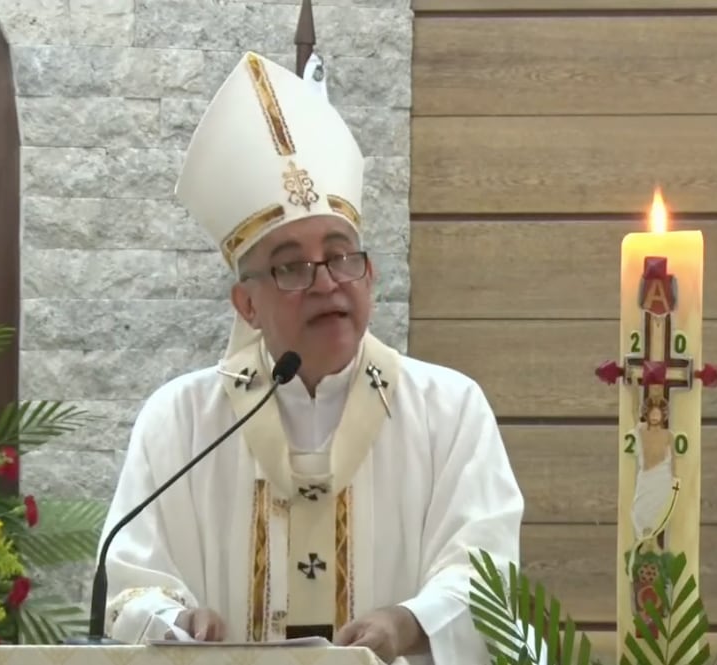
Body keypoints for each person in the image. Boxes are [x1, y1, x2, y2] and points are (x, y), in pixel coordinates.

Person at [99, 52, 525, 665]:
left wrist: (408, 622)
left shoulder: (448, 409)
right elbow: (134, 582)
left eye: (341, 254)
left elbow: (487, 571)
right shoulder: (181, 421)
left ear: (370, 274)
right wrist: (173, 622)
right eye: (292, 266)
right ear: (246, 303)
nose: (327, 282)